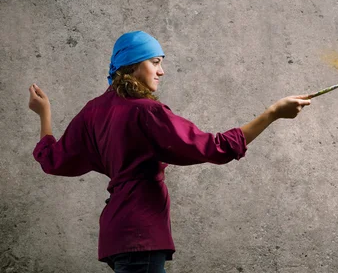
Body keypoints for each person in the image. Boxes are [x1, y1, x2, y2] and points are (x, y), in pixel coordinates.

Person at [27, 30, 311, 273]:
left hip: (116, 234)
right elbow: (215, 148)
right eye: (155, 62)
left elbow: (53, 160)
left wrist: (45, 114)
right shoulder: (147, 112)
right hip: (141, 235)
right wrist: (272, 113)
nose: (161, 71)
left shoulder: (94, 111)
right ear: (132, 66)